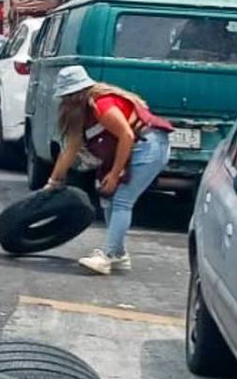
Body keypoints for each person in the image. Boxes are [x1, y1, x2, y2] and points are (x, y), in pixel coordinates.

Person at [45, 65, 172, 276]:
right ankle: (119, 254)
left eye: (69, 96)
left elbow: (127, 136)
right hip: (133, 147)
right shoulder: (82, 113)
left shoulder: (101, 105)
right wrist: (53, 182)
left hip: (148, 146)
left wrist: (115, 174)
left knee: (122, 200)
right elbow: (70, 148)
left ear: (79, 93)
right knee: (108, 198)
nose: (66, 102)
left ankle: (109, 256)